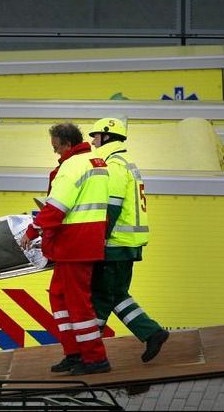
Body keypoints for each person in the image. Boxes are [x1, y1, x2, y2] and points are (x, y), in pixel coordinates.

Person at [20, 122, 111, 376]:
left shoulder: (71, 167)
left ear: (67, 144)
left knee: (78, 303)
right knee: (59, 296)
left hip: (74, 243)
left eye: (57, 147)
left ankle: (94, 358)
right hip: (84, 240)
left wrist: (32, 230)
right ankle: (73, 352)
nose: (55, 152)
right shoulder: (96, 162)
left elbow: (58, 207)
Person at [88, 118, 169, 363]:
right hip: (126, 243)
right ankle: (152, 333)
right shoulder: (126, 164)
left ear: (107, 137)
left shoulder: (112, 166)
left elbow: (111, 207)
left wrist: (97, 239)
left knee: (101, 297)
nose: (92, 141)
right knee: (117, 294)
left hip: (115, 243)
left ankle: (88, 352)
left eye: (95, 137)